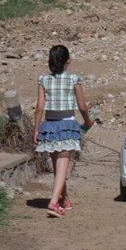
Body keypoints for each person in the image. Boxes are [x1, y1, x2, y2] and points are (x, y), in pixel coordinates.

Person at [34, 45, 93, 218]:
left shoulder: (43, 79)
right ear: (68, 61)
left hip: (49, 126)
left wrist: (36, 129)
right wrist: (88, 122)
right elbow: (82, 106)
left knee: (57, 166)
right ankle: (53, 203)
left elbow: (39, 108)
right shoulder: (74, 79)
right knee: (63, 164)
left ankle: (64, 199)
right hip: (67, 125)